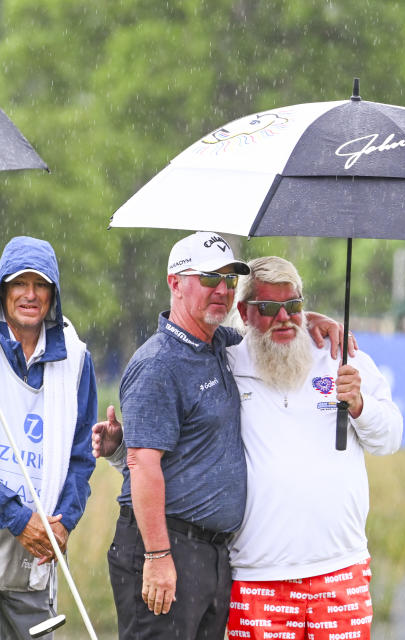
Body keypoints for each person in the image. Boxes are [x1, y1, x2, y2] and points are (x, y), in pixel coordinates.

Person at [103, 232, 348, 640]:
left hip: (214, 554)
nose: (223, 290)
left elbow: (270, 325)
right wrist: (159, 556)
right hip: (167, 544)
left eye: (230, 281)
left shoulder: (222, 344)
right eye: (209, 279)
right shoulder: (158, 363)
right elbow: (142, 465)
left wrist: (311, 319)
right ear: (175, 283)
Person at [226, 256, 402, 639]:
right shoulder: (225, 365)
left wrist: (360, 406)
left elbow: (390, 438)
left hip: (340, 569)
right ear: (243, 311)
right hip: (258, 576)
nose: (284, 318)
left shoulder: (341, 357)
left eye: (293, 305)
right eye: (269, 308)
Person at [0, 236, 97, 640]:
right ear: (3, 289)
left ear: (54, 293)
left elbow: (80, 457)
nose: (30, 295)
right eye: (20, 283)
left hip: (38, 560)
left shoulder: (77, 359)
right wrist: (18, 520)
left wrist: (64, 522)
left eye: (41, 284)